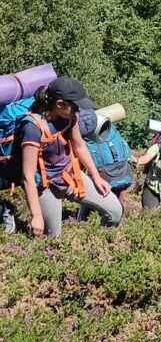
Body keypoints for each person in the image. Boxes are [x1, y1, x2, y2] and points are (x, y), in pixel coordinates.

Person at [19, 77, 123, 238]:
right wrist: (36, 215)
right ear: (60, 104)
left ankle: (98, 246)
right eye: (74, 106)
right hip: (46, 186)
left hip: (71, 175)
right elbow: (28, 176)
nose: (77, 111)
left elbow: (79, 146)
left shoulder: (70, 117)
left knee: (115, 211)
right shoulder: (32, 128)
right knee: (52, 238)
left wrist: (96, 177)